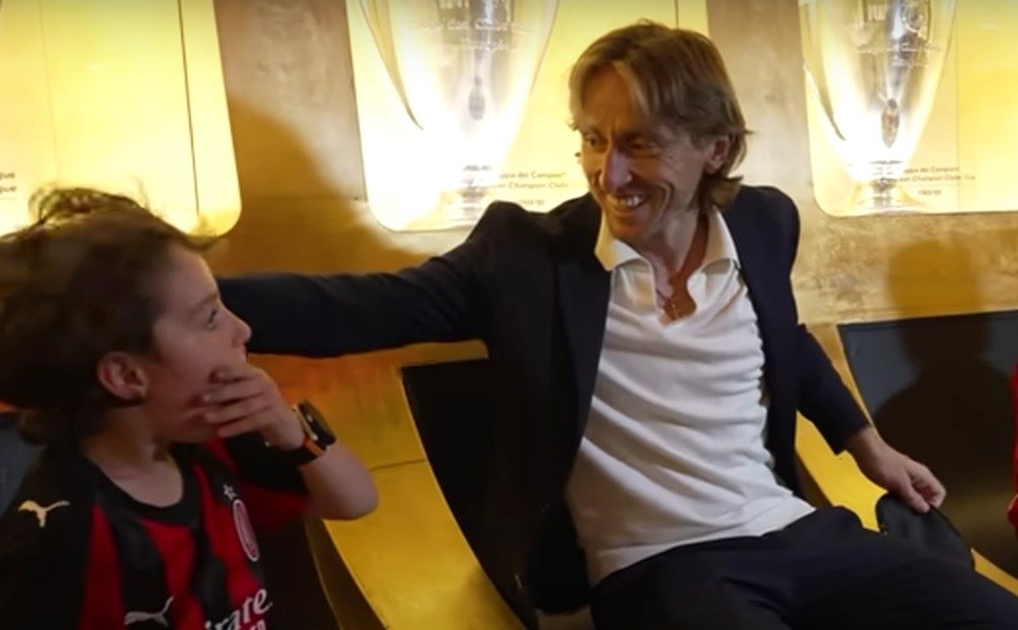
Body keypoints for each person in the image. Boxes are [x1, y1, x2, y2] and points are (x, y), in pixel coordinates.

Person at [215, 20, 1018, 630]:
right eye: (594, 141)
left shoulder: (765, 223)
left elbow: (786, 343)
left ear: (716, 149)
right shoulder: (527, 259)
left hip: (796, 529)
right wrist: (183, 302)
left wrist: (869, 448)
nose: (610, 173)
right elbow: (358, 307)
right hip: (659, 565)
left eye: (639, 145)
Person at [0, 187, 377, 629]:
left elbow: (355, 501)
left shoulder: (209, 447)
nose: (243, 330)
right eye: (210, 317)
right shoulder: (64, 535)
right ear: (125, 375)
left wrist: (291, 433)